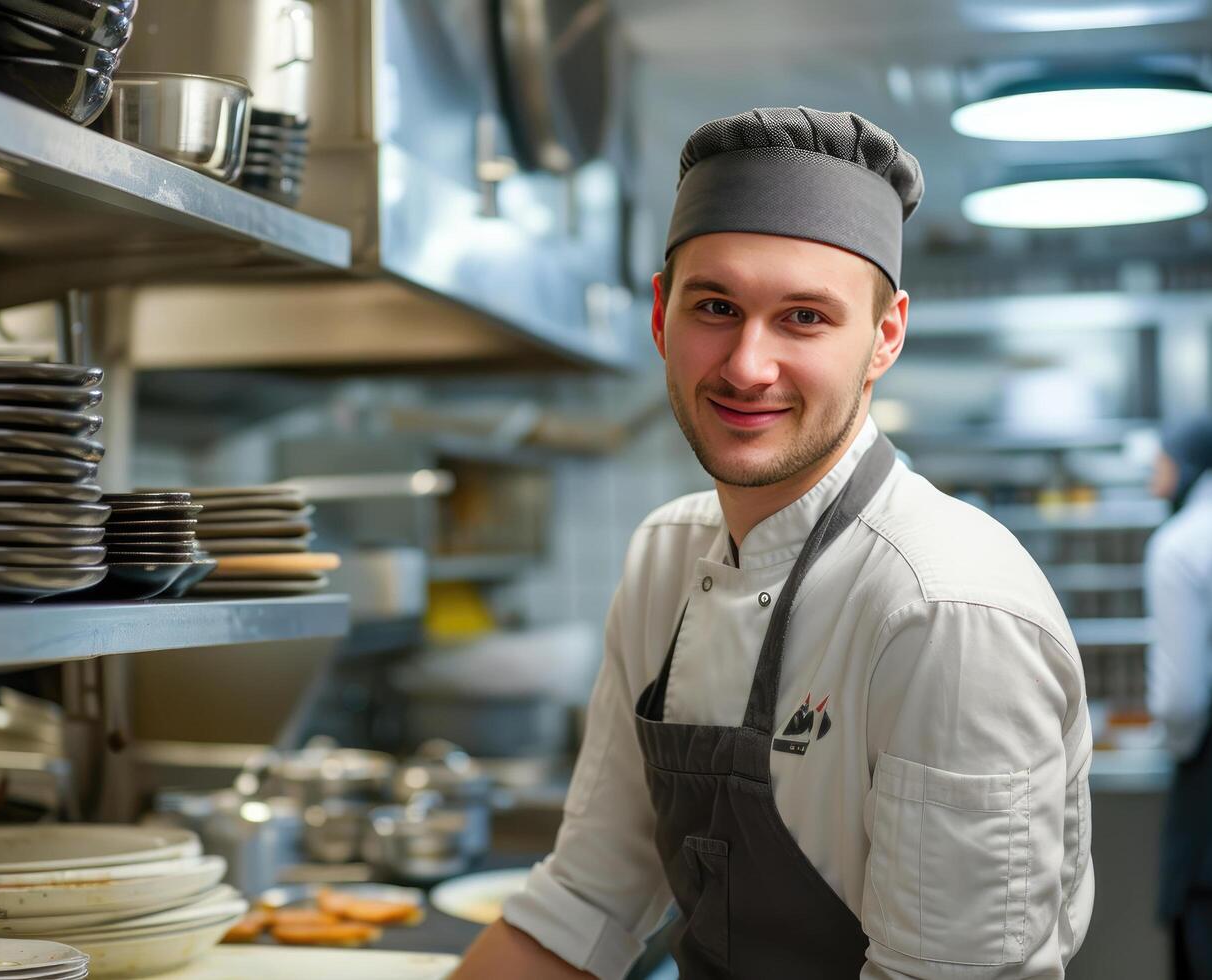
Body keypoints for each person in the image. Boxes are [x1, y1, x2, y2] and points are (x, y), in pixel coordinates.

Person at [453, 107, 1094, 979]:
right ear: (660, 315)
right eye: (716, 306)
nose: (748, 365)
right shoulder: (664, 558)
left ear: (885, 337)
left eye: (804, 317)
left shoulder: (944, 609)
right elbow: (589, 898)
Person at [1146, 418, 1212, 977]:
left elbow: (1180, 702)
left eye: (1163, 460)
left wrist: (1174, 746)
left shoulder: (1181, 544)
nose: (1154, 477)